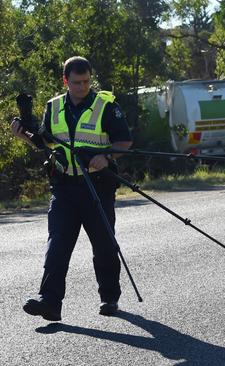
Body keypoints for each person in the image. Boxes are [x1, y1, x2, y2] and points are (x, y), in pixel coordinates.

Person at [11, 56, 133, 321]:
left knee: (104, 245)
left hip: (97, 187)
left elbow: (124, 141)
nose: (82, 87)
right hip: (64, 188)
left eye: (86, 81)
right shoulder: (53, 107)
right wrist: (24, 136)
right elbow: (46, 143)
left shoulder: (106, 105)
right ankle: (50, 303)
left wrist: (108, 158)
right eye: (77, 82)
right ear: (65, 81)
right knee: (57, 245)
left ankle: (109, 298)